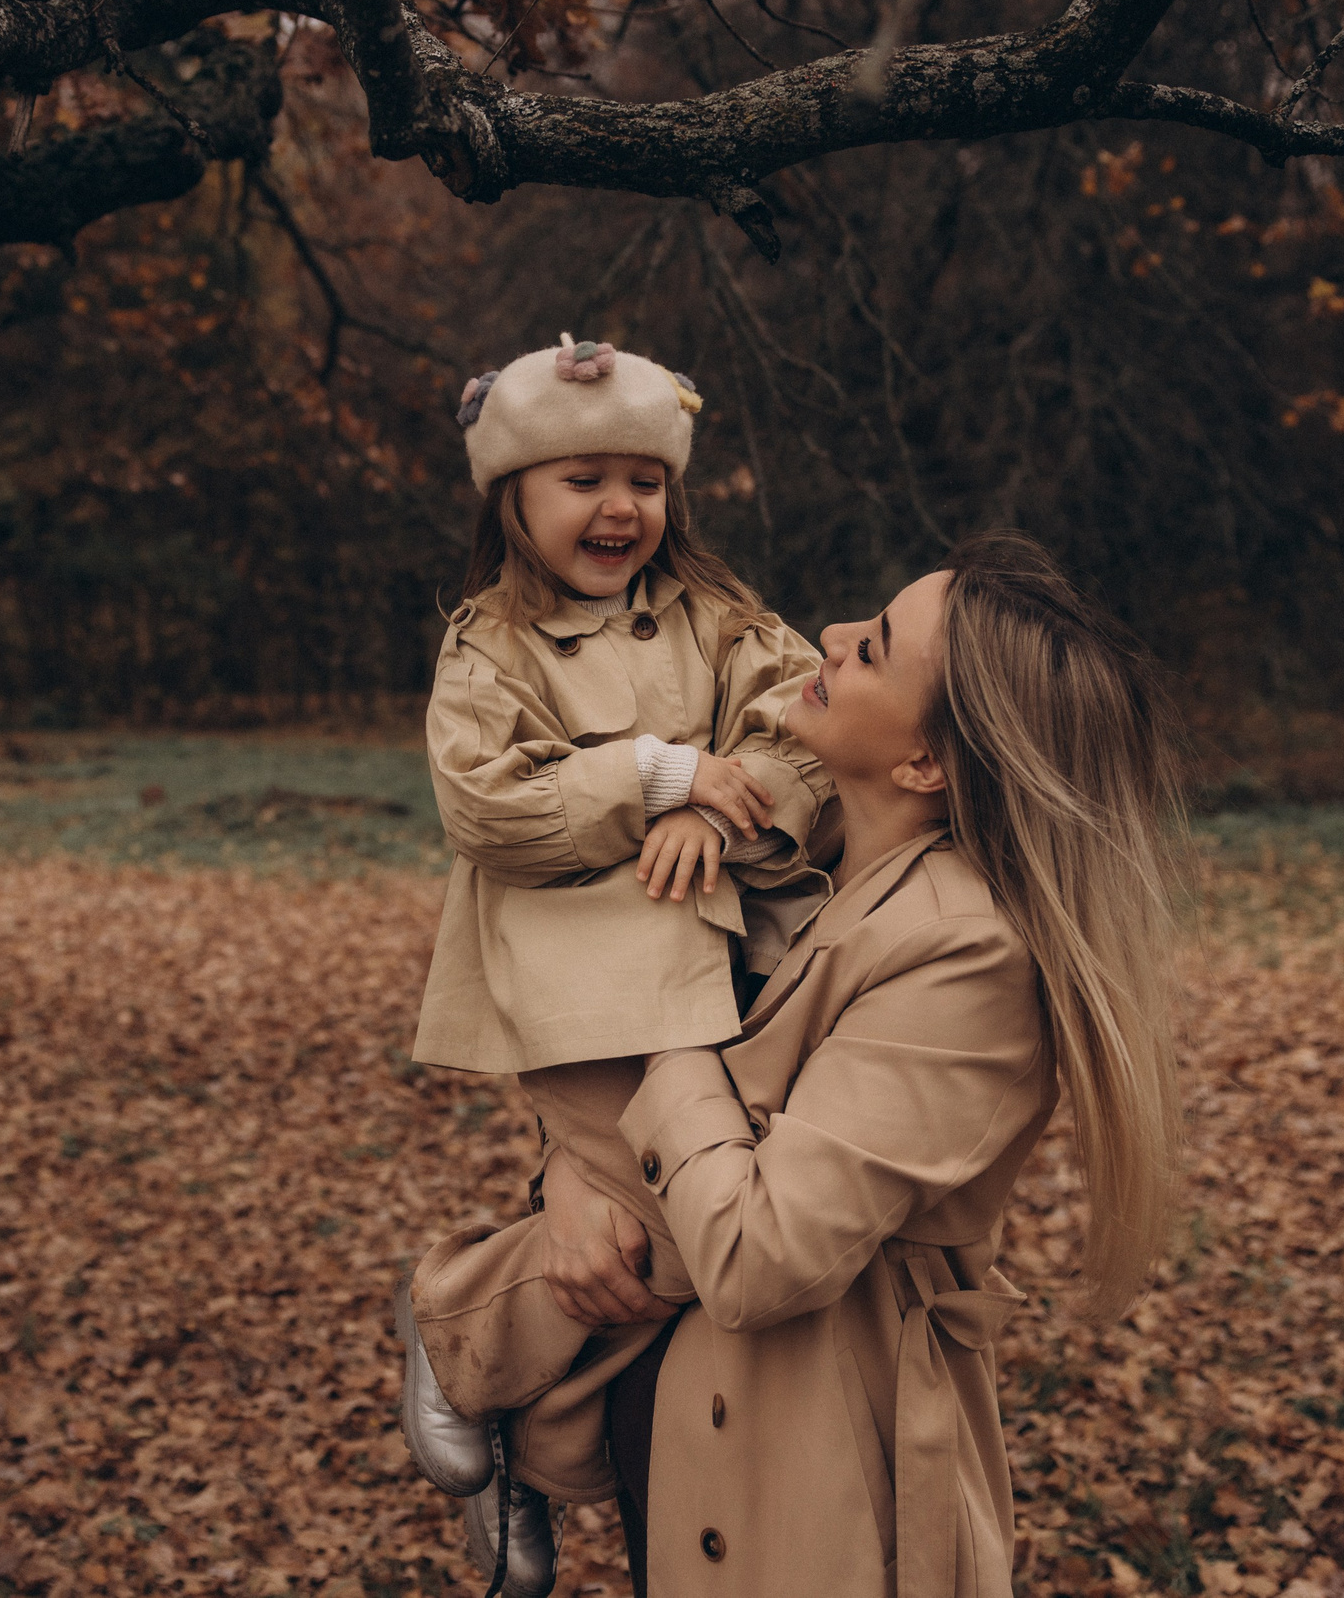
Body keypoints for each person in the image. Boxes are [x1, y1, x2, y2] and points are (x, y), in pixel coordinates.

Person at [533, 532, 1186, 1598]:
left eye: (873, 648)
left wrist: (667, 1008)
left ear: (925, 763)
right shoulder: (795, 865)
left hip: (818, 1474)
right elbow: (658, 1125)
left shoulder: (967, 955)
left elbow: (756, 1249)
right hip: (689, 1429)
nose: (829, 637)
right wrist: (569, 1174)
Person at [392, 333, 836, 1591]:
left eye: (641, 480)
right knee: (682, 1242)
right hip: (577, 1000)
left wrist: (722, 804)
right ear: (513, 498)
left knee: (681, 1258)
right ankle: (467, 1336)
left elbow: (813, 742)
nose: (618, 507)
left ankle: (501, 1398)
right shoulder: (489, 646)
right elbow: (485, 809)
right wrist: (656, 777)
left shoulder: (725, 622)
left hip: (727, 982)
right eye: (580, 479)